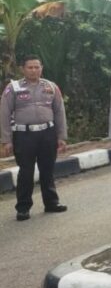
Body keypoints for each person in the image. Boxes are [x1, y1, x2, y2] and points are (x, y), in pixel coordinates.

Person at [0, 55, 68, 221]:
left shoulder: (51, 87)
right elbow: (4, 114)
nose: (34, 70)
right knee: (26, 172)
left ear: (41, 68)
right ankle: (23, 208)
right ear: (22, 69)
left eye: (37, 67)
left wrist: (61, 136)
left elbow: (59, 112)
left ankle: (51, 203)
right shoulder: (13, 88)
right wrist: (6, 140)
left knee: (47, 170)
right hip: (24, 136)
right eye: (30, 67)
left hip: (47, 134)